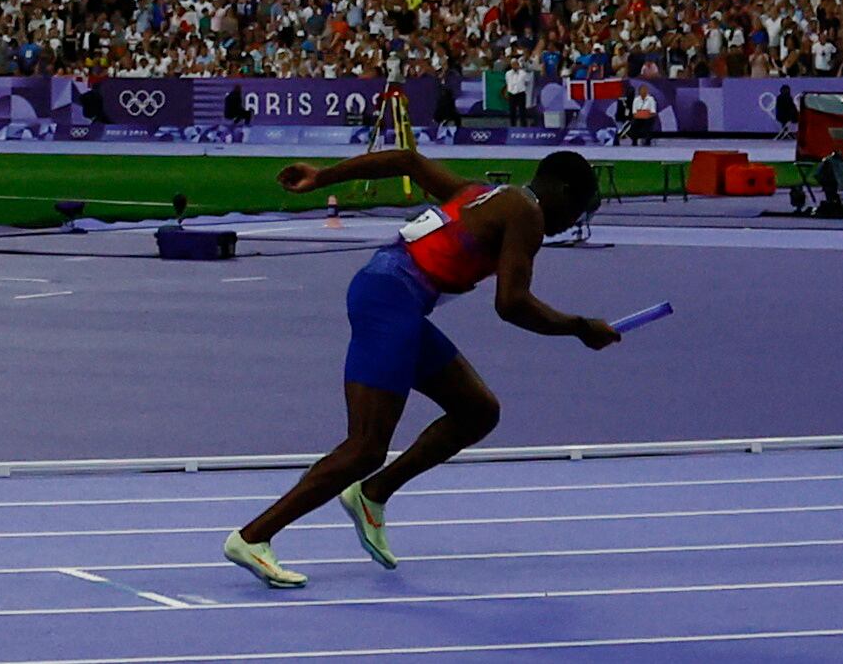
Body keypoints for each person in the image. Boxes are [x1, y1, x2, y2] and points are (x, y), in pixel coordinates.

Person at [223, 142, 618, 590]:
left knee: (477, 411)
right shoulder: (526, 213)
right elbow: (512, 304)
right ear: (564, 191)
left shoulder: (480, 193)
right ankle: (254, 537)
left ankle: (372, 494)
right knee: (365, 448)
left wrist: (322, 176)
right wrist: (580, 327)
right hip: (390, 300)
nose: (570, 225)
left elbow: (406, 160)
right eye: (578, 211)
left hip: (392, 297)